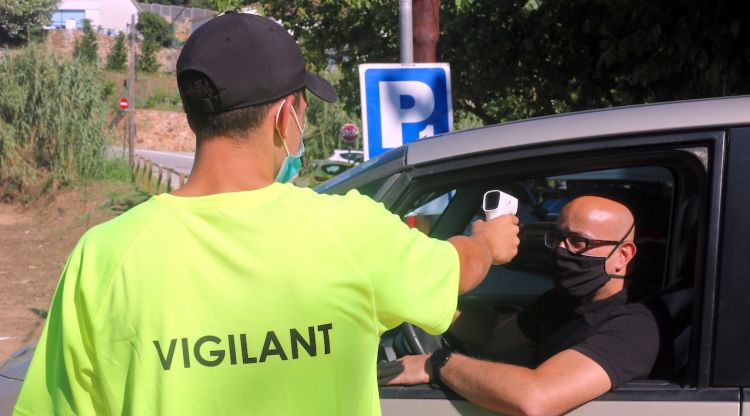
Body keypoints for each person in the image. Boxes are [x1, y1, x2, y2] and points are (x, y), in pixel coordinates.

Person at [13, 12, 520, 416]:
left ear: (194, 116)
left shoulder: (103, 255)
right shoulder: (348, 231)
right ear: (286, 115)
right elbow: (455, 269)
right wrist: (488, 243)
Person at [381, 195, 659, 416]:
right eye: (558, 238)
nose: (562, 249)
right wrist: (427, 302)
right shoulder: (565, 301)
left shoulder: (633, 328)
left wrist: (437, 364)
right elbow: (493, 335)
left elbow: (535, 398)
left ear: (622, 255)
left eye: (578, 241)